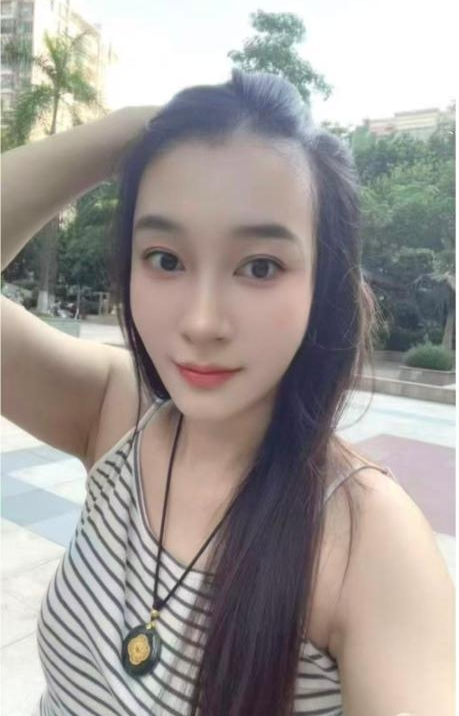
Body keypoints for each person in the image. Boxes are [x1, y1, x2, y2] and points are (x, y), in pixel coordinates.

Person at [1, 70, 453, 716]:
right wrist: (124, 135)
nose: (202, 322)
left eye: (259, 267)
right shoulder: (114, 411)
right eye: (165, 259)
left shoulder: (369, 544)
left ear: (322, 284)